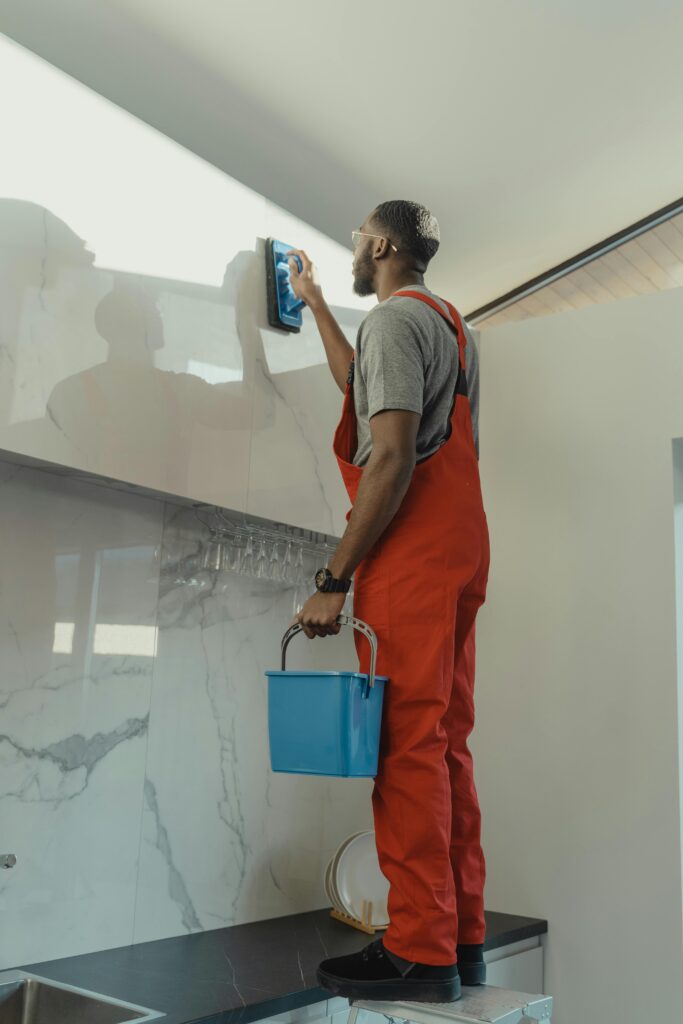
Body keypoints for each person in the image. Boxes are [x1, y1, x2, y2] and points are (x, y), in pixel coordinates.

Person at [287, 200, 490, 1002]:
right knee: (443, 744)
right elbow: (365, 390)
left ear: (381, 244)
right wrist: (312, 304)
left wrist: (333, 580)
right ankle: (459, 935)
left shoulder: (395, 327)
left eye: (354, 241)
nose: (349, 250)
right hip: (460, 543)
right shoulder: (441, 322)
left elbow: (393, 454)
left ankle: (418, 950)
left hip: (412, 548)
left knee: (404, 748)